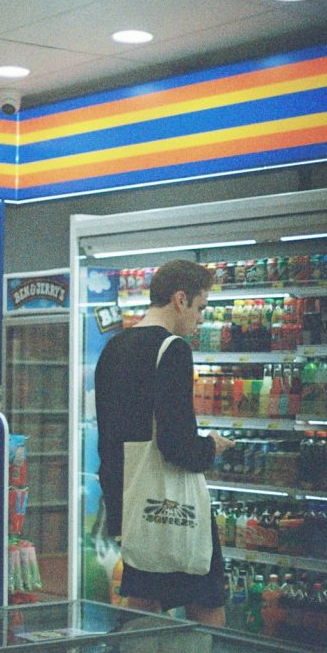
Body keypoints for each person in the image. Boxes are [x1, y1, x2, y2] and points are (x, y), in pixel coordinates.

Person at [95, 259, 235, 626]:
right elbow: (176, 445)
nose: (200, 319)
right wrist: (211, 446)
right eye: (201, 308)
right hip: (173, 506)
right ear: (180, 299)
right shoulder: (172, 349)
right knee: (207, 603)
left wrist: (118, 515)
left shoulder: (114, 349)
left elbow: (107, 441)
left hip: (132, 503)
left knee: (143, 602)